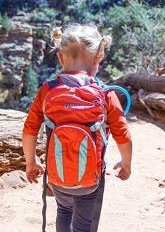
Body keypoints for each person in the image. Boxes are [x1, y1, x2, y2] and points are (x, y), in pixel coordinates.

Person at [22, 24, 133, 232]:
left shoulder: (47, 90)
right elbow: (122, 133)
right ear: (98, 58)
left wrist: (31, 162)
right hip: (91, 178)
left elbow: (29, 129)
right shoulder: (104, 93)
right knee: (84, 225)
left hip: (58, 175)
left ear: (61, 58)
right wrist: (126, 162)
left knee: (63, 211)